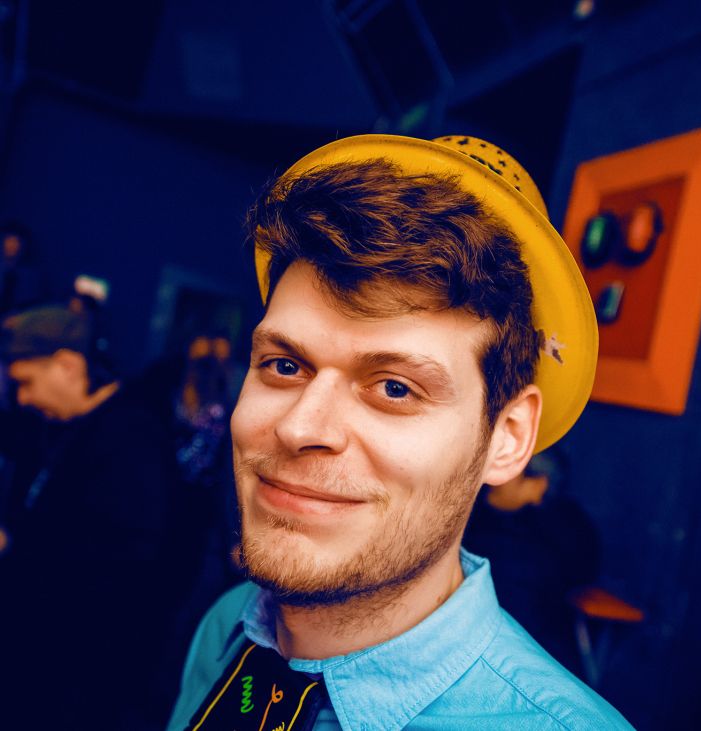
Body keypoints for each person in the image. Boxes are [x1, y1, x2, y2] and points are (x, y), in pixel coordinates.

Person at [167, 134, 634, 729]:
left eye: (394, 388)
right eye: (284, 366)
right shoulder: (226, 629)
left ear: (508, 438)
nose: (299, 427)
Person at [0, 305, 184, 729]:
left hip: (74, 678)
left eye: (26, 383)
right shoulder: (69, 427)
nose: (23, 399)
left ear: (67, 365)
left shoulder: (131, 440)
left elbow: (122, 570)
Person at [464, 448, 601, 675]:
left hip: (524, 655)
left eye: (509, 471)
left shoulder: (557, 533)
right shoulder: (475, 514)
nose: (493, 478)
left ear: (539, 484)